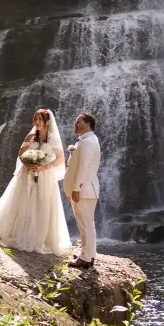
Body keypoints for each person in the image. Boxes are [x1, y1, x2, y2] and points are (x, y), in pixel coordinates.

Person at [0, 108, 71, 255]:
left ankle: (39, 237)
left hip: (45, 177)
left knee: (41, 206)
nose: (37, 122)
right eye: (35, 119)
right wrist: (27, 162)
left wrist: (43, 167)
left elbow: (61, 159)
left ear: (47, 122)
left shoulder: (53, 139)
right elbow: (21, 153)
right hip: (27, 174)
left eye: (40, 119)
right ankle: (18, 232)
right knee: (23, 203)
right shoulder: (31, 136)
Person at [65, 112, 100, 269]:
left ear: (87, 124)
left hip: (84, 189)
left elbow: (83, 167)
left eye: (78, 121)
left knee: (86, 224)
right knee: (84, 224)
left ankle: (86, 258)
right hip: (84, 189)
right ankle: (87, 254)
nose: (75, 123)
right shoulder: (85, 140)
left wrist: (76, 189)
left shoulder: (88, 142)